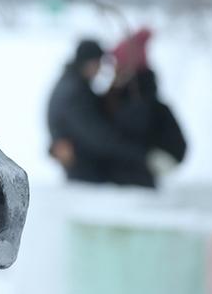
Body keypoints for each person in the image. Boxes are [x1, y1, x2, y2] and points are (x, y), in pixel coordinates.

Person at [47, 39, 153, 187]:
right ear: (88, 62)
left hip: (81, 163)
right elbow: (94, 134)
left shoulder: (73, 84)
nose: (100, 68)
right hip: (84, 167)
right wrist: (137, 153)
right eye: (98, 62)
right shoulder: (74, 92)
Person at [106, 28, 187, 176]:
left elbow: (130, 133)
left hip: (159, 157)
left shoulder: (139, 96)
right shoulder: (132, 91)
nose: (114, 69)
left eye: (118, 64)